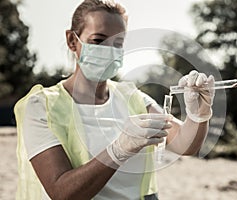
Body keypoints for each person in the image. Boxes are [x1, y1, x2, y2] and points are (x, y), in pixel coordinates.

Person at [14, 0, 215, 199]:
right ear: (72, 41)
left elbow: (184, 145)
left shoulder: (132, 98)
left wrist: (199, 114)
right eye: (98, 40)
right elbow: (62, 192)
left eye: (117, 43)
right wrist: (119, 150)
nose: (109, 50)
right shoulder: (42, 107)